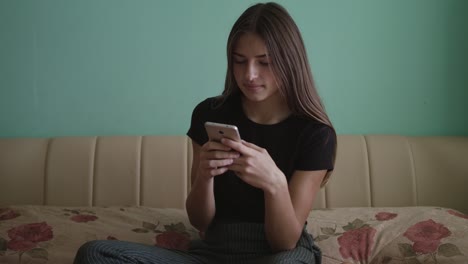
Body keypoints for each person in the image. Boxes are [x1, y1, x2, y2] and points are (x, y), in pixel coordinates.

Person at [73, 2, 336, 264]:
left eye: (264, 62)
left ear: (290, 62)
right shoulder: (210, 113)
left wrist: (274, 183)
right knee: (96, 253)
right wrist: (204, 176)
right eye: (239, 61)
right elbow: (200, 221)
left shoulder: (315, 133)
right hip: (214, 252)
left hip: (278, 255)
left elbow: (285, 242)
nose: (250, 74)